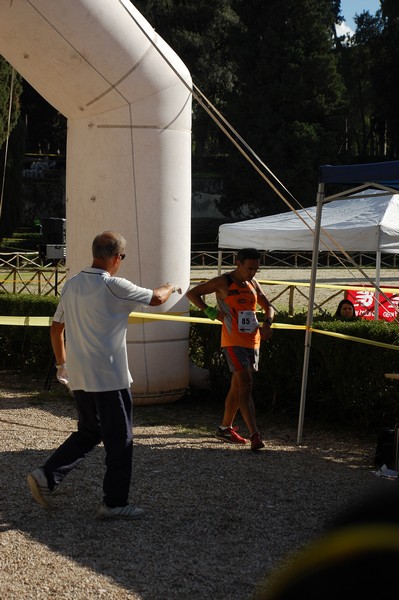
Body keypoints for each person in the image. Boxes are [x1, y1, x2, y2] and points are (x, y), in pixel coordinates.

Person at [27, 231, 181, 520]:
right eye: (122, 257)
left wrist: (62, 363)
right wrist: (172, 285)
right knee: (120, 440)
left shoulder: (72, 284)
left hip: (80, 374)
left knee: (90, 431)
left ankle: (47, 476)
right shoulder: (113, 285)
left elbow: (56, 327)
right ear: (116, 258)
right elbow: (158, 298)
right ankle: (113, 502)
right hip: (109, 376)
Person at [186, 247, 274, 452]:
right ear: (238, 263)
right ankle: (255, 435)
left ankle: (225, 428)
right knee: (246, 384)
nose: (253, 273)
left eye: (256, 269)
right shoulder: (223, 282)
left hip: (252, 340)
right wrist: (210, 311)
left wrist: (267, 323)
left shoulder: (253, 283)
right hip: (232, 341)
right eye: (250, 268)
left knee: (238, 386)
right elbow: (193, 293)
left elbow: (268, 306)